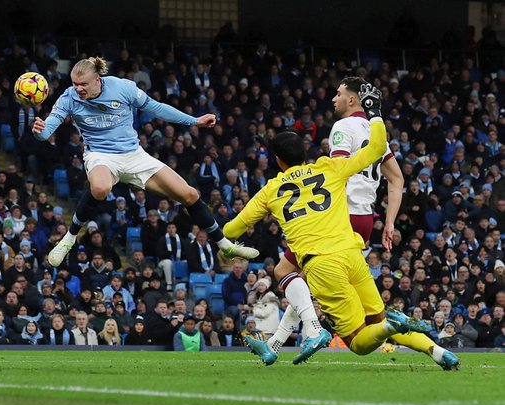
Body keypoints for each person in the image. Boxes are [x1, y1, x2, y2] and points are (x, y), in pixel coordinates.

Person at [223, 84, 444, 366]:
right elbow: (394, 174)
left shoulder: (339, 130)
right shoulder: (351, 149)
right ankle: (438, 351)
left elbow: (230, 230)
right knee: (360, 308)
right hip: (363, 219)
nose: (333, 98)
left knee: (290, 272)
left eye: (338, 94)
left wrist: (227, 246)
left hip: (338, 218)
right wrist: (389, 221)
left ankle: (313, 330)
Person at [32, 57, 259, 268]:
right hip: (101, 155)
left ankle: (225, 246)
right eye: (74, 83)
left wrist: (195, 121)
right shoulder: (69, 97)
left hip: (134, 155)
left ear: (97, 80)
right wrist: (40, 132)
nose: (78, 88)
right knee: (100, 188)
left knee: (190, 195)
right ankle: (68, 240)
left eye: (83, 84)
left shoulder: (123, 88)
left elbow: (157, 108)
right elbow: (48, 128)